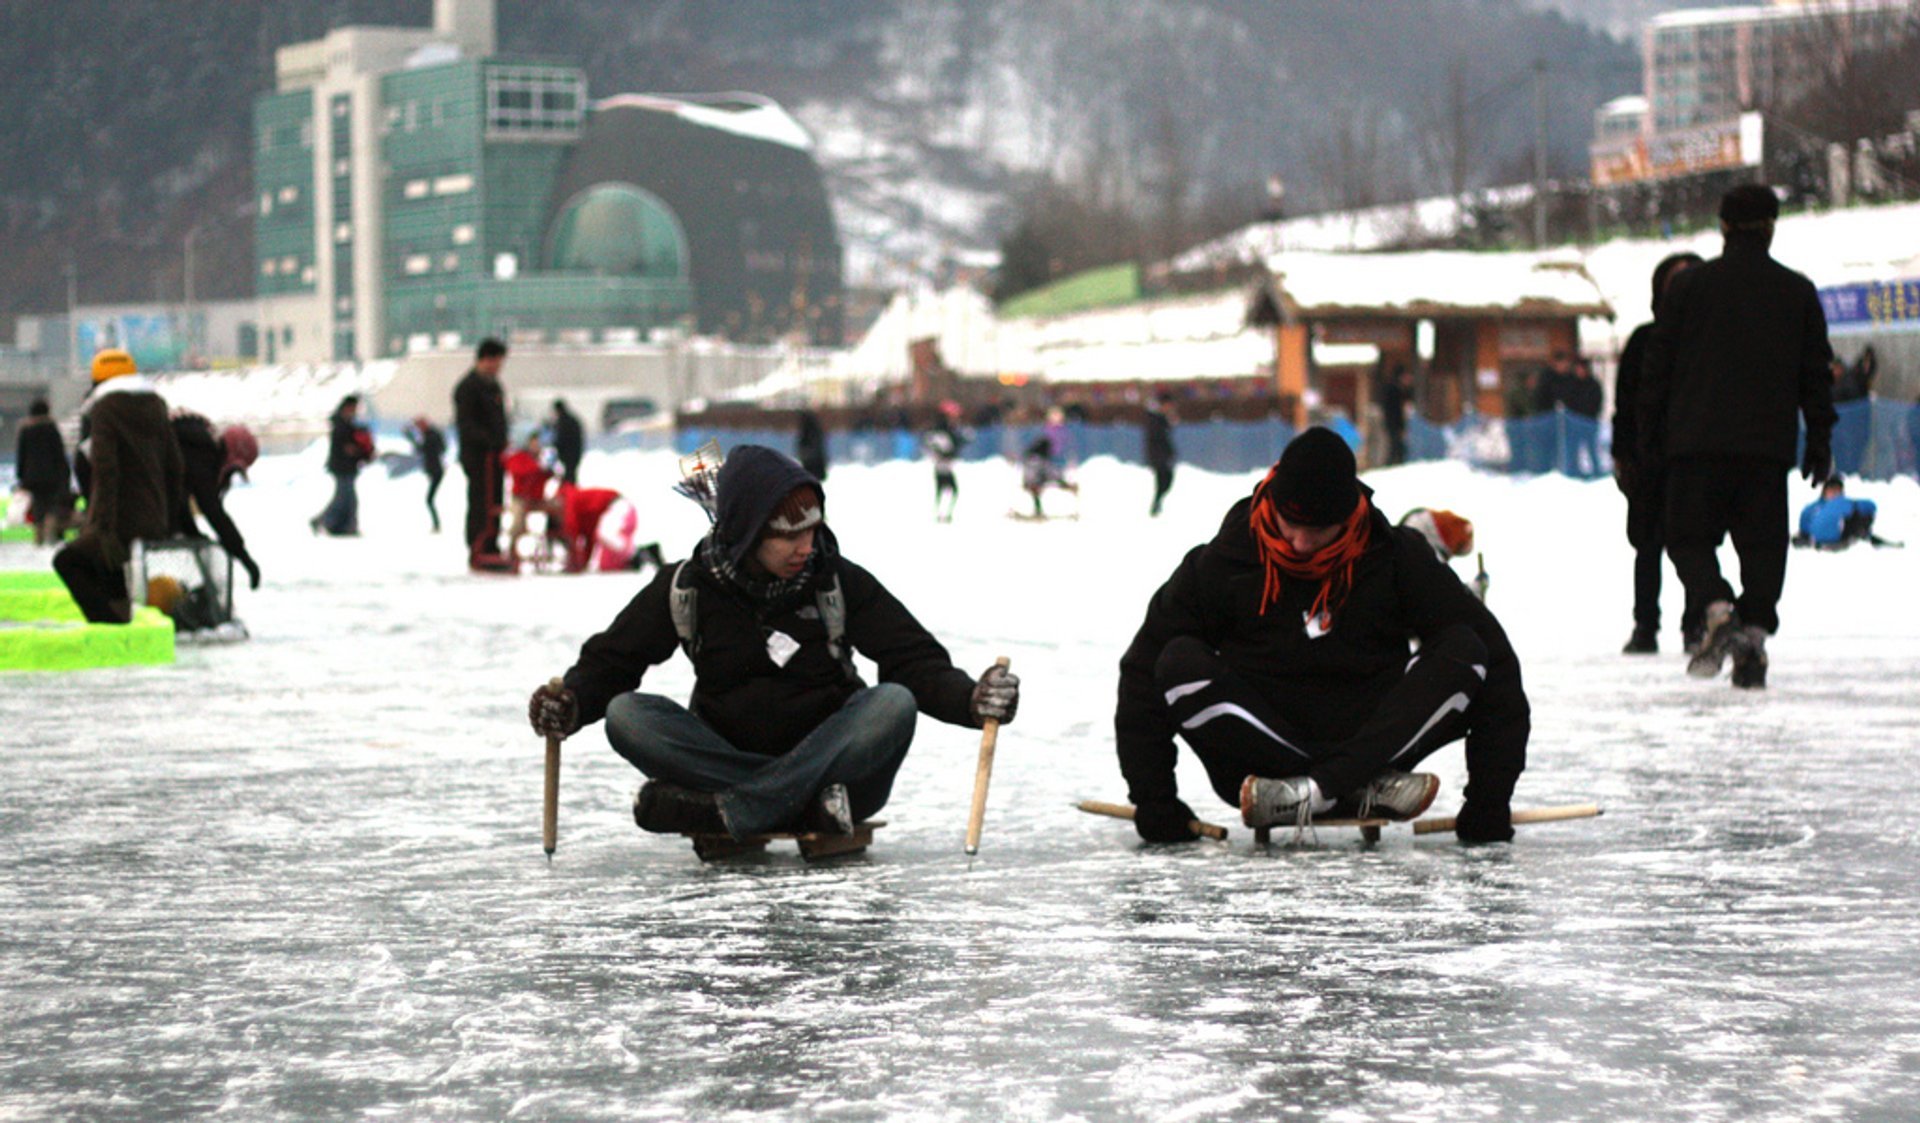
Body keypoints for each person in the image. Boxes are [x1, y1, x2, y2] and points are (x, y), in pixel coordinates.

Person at [525, 445, 1020, 840]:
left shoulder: (836, 580)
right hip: (733, 759)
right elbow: (612, 663)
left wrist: (971, 699)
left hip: (837, 774)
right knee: (627, 716)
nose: (806, 547)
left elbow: (912, 660)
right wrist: (570, 701)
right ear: (745, 532)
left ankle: (733, 811)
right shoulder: (688, 586)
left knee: (893, 703)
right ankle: (790, 803)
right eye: (787, 536)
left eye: (812, 529)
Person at [1113, 428, 1529, 844]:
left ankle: (1319, 788)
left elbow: (1498, 665)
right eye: (1290, 524)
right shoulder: (1225, 560)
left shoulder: (1395, 556)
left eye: (1319, 531)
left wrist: (1488, 802)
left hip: (1372, 740)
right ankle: (1348, 785)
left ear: (1349, 517)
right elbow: (1141, 671)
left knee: (1466, 650)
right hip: (1265, 766)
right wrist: (1155, 800)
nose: (1300, 543)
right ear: (1273, 503)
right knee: (1176, 660)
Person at [1639, 183, 1837, 689]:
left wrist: (1650, 437)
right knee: (1765, 549)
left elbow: (1656, 369)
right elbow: (1816, 376)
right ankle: (1751, 635)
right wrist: (1819, 440)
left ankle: (1717, 609)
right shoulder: (1796, 291)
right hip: (1765, 449)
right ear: (1771, 227)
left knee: (1687, 538)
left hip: (1695, 443)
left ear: (1723, 227)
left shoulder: (1688, 289)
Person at [1613, 252, 1706, 655]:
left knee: (1696, 545)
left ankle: (1696, 624)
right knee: (1647, 547)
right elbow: (1624, 404)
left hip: (1696, 459)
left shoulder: (1710, 342)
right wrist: (1623, 454)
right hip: (1648, 462)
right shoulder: (1643, 340)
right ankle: (1645, 624)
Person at [53, 349, 184, 623]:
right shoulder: (156, 405)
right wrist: (171, 521)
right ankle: (121, 613)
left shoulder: (104, 409)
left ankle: (109, 626)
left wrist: (101, 525)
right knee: (104, 560)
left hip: (118, 520)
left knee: (66, 561)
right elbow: (175, 466)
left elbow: (106, 470)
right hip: (155, 517)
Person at [171, 411, 262, 590]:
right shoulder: (202, 451)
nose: (228, 478)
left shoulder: (194, 443)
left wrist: (191, 531)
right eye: (232, 471)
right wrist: (244, 557)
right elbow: (211, 508)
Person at [454, 338, 510, 566]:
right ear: (486, 359)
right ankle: (478, 546)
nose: (498, 367)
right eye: (496, 361)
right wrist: (489, 440)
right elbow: (466, 424)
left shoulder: (493, 385)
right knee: (480, 502)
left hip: (496, 457)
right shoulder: (468, 387)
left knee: (495, 499)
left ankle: (492, 544)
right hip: (479, 457)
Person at [553, 483, 665, 573]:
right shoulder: (582, 516)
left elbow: (572, 530)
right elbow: (589, 540)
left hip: (617, 505)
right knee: (606, 565)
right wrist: (582, 564)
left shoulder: (569, 499)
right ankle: (637, 556)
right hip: (614, 512)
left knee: (605, 533)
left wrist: (574, 558)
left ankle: (639, 554)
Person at [14, 398, 75, 545]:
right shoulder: (51, 428)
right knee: (52, 505)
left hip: (32, 477)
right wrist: (65, 475)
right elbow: (59, 455)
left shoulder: (25, 431)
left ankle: (38, 537)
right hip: (52, 477)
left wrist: (21, 477)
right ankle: (51, 532)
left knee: (38, 506)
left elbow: (21, 456)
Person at [311, 395, 372, 536]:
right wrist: (361, 451)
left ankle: (341, 526)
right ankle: (327, 522)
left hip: (347, 466)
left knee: (346, 498)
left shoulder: (345, 423)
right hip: (342, 466)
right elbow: (346, 448)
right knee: (344, 498)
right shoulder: (341, 425)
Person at [502, 432, 553, 557]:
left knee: (560, 508)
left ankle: (553, 540)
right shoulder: (519, 457)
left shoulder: (542, 458)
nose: (536, 445)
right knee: (518, 519)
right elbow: (517, 470)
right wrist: (537, 468)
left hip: (537, 498)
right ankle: (512, 549)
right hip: (520, 498)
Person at [1794, 476, 1881, 549]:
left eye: (1837, 490)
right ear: (1824, 491)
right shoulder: (1812, 508)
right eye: (1832, 490)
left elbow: (1869, 506)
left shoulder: (1843, 504)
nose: (1834, 493)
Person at [923, 400, 969, 522]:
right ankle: (943, 513)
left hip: (942, 463)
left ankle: (942, 512)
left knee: (943, 489)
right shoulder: (945, 429)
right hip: (944, 463)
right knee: (951, 489)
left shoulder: (939, 428)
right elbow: (950, 444)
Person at [1564, 358, 1604, 478]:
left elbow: (1597, 402)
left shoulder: (1594, 384)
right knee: (1573, 449)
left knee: (1592, 448)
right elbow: (1568, 401)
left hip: (1589, 422)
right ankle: (1573, 471)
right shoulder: (1572, 384)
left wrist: (1591, 415)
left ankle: (1596, 471)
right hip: (1574, 423)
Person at [408, 416, 446, 533]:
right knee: (429, 500)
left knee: (429, 499)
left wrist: (412, 439)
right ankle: (436, 524)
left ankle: (436, 524)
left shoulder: (431, 436)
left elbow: (424, 449)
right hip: (434, 470)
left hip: (436, 470)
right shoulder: (431, 435)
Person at [1143, 392, 1177, 516]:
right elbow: (1157, 437)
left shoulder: (1161, 418)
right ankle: (1155, 506)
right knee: (1163, 480)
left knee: (1167, 480)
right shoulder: (1155, 418)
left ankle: (1157, 504)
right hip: (1158, 456)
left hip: (1162, 455)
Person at [1376, 364, 1411, 467]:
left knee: (1394, 448)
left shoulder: (1392, 389)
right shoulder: (1395, 390)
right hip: (1394, 424)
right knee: (1395, 449)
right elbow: (1396, 411)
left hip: (1391, 423)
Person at [550, 398, 584, 486]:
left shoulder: (563, 422)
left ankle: (570, 493)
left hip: (568, 455)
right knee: (571, 475)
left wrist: (556, 446)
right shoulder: (572, 419)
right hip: (575, 454)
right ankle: (571, 492)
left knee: (568, 477)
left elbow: (561, 439)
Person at [795, 409, 829, 481]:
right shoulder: (814, 429)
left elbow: (810, 445)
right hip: (814, 461)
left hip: (812, 461)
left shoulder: (809, 430)